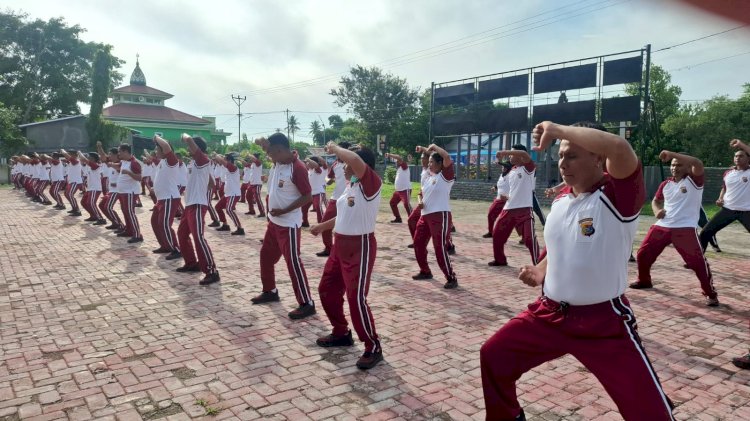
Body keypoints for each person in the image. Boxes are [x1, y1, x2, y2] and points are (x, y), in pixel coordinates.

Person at [480, 121, 674, 421]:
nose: (562, 163)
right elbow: (560, 246)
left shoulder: (617, 196)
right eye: (560, 156)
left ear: (598, 157)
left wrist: (558, 129)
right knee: (494, 356)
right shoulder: (560, 201)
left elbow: (620, 148)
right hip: (549, 316)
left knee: (651, 414)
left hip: (603, 324)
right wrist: (540, 270)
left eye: (571, 155)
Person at [311, 142, 384, 370]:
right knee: (326, 289)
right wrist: (323, 226)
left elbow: (354, 160)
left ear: (362, 166)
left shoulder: (371, 184)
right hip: (339, 246)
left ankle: (373, 346)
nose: (342, 166)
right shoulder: (351, 186)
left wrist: (334, 148)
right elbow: (344, 213)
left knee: (355, 298)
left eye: (345, 163)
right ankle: (341, 332)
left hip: (359, 247)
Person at [630, 151, 719, 306]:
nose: (674, 168)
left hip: (685, 228)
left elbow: (697, 162)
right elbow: (656, 201)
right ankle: (644, 280)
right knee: (643, 254)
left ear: (687, 167)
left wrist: (671, 154)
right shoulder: (666, 184)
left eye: (679, 165)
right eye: (672, 165)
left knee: (697, 262)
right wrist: (657, 211)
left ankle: (710, 293)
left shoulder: (694, 181)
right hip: (663, 225)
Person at [251, 133, 316, 320]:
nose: (268, 156)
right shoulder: (279, 162)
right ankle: (270, 291)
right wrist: (264, 142)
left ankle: (307, 303)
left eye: (271, 153)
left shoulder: (298, 168)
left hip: (288, 224)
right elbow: (261, 142)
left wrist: (284, 210)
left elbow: (307, 197)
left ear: (279, 150)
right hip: (274, 223)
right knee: (266, 256)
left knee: (293, 262)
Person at [411, 144, 458, 290]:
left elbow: (447, 157)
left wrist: (434, 147)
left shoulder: (445, 177)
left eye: (432, 162)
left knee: (439, 248)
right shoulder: (428, 177)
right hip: (425, 216)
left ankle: (451, 277)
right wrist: (420, 203)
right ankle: (425, 271)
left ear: (440, 164)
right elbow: (420, 194)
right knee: (418, 244)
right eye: (429, 162)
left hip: (440, 215)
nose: (429, 164)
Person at [175, 134, 220, 285]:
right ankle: (191, 263)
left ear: (197, 148)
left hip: (198, 205)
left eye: (190, 146)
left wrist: (185, 136)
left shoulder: (202, 160)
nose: (188, 148)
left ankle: (211, 271)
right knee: (182, 234)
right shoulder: (195, 163)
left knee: (198, 238)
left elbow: (188, 140)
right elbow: (212, 183)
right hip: (190, 204)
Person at [488, 145, 539, 267]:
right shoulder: (512, 171)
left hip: (524, 210)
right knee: (497, 235)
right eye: (509, 154)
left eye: (512, 153)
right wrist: (507, 196)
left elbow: (525, 154)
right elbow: (514, 190)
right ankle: (500, 260)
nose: (509, 156)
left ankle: (538, 264)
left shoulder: (528, 168)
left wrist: (504, 152)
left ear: (521, 156)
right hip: (508, 209)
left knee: (529, 239)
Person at [699, 138, 750, 250]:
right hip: (728, 210)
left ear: (748, 159)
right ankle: (697, 260)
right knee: (705, 233)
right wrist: (720, 198)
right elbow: (725, 188)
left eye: (741, 156)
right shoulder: (728, 173)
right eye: (736, 156)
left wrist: (741, 144)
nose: (737, 158)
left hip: (746, 211)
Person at [150, 135, 182, 259]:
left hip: (170, 198)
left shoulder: (171, 161)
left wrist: (157, 137)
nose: (156, 151)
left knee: (164, 224)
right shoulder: (162, 162)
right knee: (155, 222)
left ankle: (176, 249)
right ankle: (165, 245)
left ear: (164, 150)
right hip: (161, 199)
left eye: (157, 149)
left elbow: (167, 146)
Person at [318, 141, 351, 257]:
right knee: (325, 224)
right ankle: (329, 248)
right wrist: (328, 180)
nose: (337, 153)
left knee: (348, 226)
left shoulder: (352, 162)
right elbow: (328, 177)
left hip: (350, 198)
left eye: (339, 150)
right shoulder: (336, 164)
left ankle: (346, 251)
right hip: (336, 198)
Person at [113, 144, 144, 243]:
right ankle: (129, 230)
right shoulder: (124, 162)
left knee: (130, 213)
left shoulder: (134, 163)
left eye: (120, 151)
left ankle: (137, 234)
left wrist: (129, 173)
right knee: (125, 211)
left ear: (126, 151)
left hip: (130, 192)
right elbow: (118, 166)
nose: (119, 154)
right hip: (123, 192)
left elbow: (139, 178)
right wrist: (110, 164)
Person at [213, 153, 245, 235]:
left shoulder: (233, 168)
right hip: (228, 194)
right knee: (218, 207)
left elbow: (221, 161)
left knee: (229, 210)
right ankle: (225, 225)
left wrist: (216, 155)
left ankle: (240, 228)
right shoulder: (226, 168)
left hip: (233, 194)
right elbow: (220, 163)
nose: (223, 161)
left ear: (229, 161)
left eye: (225, 159)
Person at [483, 160, 513, 238]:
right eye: (503, 167)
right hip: (499, 200)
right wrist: (495, 187)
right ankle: (490, 232)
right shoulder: (501, 175)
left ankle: (524, 237)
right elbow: (499, 184)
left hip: (507, 201)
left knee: (512, 219)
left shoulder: (511, 176)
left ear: (509, 168)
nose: (503, 168)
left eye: (505, 166)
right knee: (491, 215)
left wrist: (499, 162)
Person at [76, 151, 107, 225]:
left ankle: (101, 218)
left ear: (93, 159)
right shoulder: (90, 166)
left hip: (95, 188)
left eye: (89, 157)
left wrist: (80, 152)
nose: (88, 158)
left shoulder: (95, 165)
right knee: (83, 202)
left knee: (91, 203)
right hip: (90, 188)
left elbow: (84, 160)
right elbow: (83, 161)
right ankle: (93, 216)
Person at [300, 156, 328, 228]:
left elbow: (317, 165)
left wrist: (308, 159)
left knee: (318, 207)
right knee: (304, 208)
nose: (307, 164)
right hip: (311, 194)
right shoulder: (309, 171)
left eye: (308, 163)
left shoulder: (318, 170)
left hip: (319, 192)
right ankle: (305, 222)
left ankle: (321, 223)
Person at [385, 152, 412, 223]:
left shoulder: (404, 166)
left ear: (400, 162)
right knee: (392, 203)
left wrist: (389, 155)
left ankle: (412, 218)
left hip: (405, 190)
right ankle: (398, 218)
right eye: (396, 162)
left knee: (406, 204)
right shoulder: (399, 169)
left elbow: (399, 158)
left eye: (397, 162)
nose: (396, 163)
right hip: (398, 191)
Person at [60, 149, 83, 216]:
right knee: (66, 194)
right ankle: (74, 208)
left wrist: (63, 151)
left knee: (69, 194)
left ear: (74, 155)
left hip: (76, 181)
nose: (69, 155)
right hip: (72, 181)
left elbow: (68, 157)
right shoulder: (72, 161)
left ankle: (77, 210)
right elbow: (67, 159)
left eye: (70, 154)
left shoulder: (76, 161)